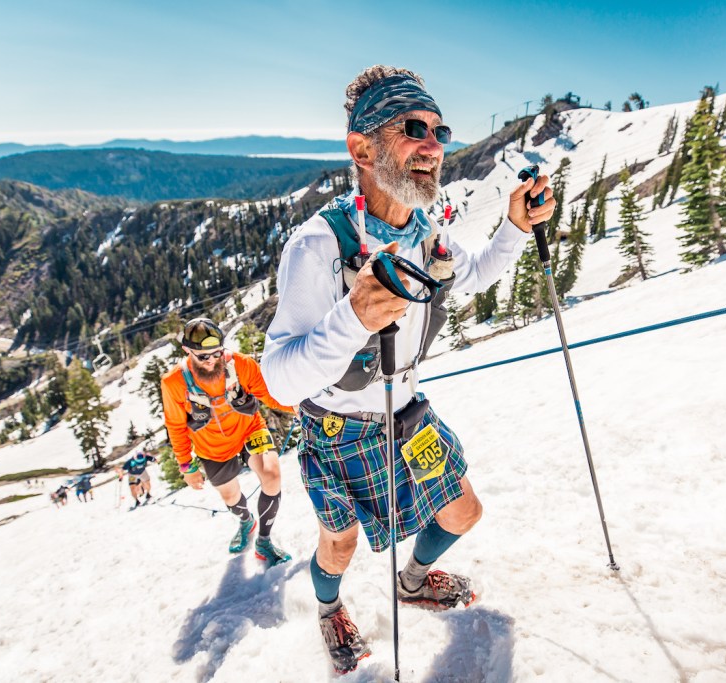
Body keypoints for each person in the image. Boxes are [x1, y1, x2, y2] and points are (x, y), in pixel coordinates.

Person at [260, 65, 556, 673]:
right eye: (413, 129)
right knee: (338, 544)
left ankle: (412, 582)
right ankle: (328, 606)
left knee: (462, 511)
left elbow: (467, 276)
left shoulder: (427, 227)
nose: (433, 144)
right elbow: (279, 380)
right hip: (337, 427)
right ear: (361, 148)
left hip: (406, 411)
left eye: (439, 130)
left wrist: (515, 228)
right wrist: (352, 319)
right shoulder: (317, 246)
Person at [161, 317, 296, 562]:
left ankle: (264, 541)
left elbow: (268, 394)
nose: (212, 360)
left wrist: (297, 407)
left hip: (249, 428)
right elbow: (176, 425)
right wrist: (185, 465)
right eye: (203, 356)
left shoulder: (241, 364)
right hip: (211, 446)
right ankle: (246, 521)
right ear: (187, 351)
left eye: (217, 353)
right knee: (230, 497)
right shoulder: (173, 382)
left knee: (272, 475)